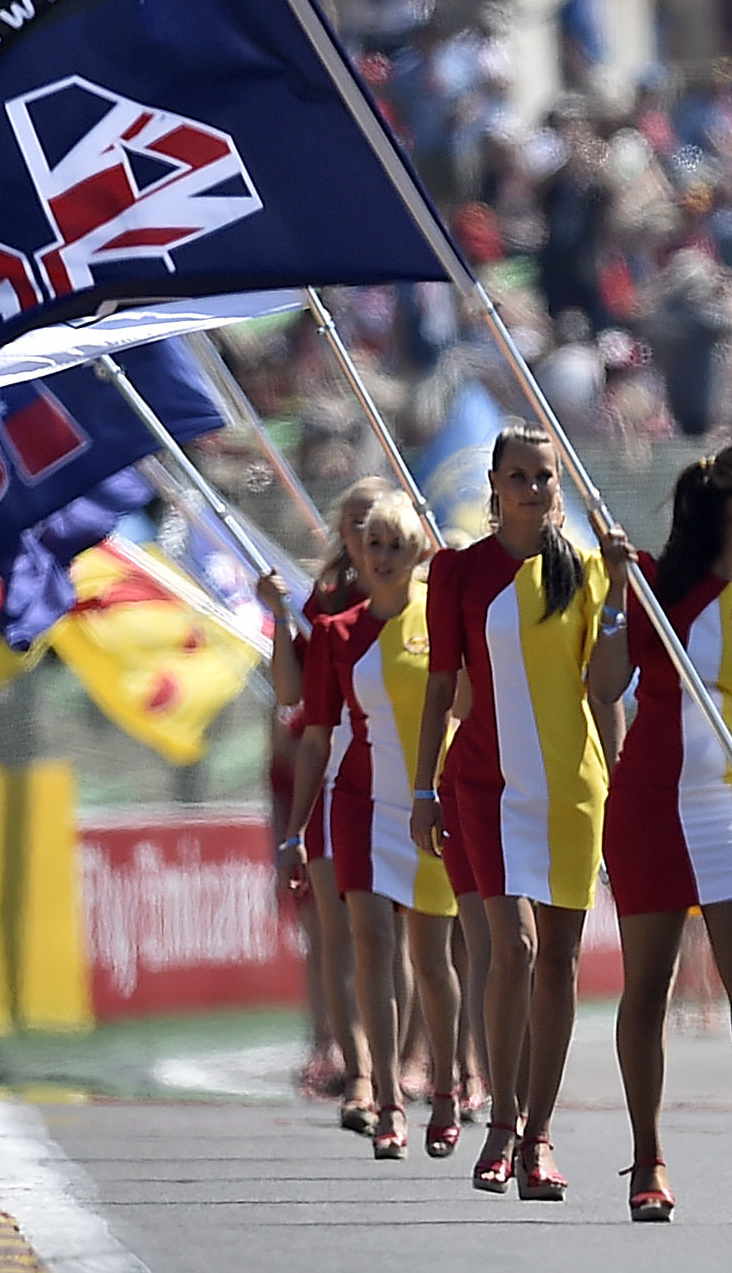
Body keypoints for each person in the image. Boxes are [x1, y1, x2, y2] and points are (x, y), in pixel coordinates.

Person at [598, 441, 732, 1221]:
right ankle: (648, 1159)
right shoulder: (657, 584)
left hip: (728, 811)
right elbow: (602, 682)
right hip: (647, 806)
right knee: (648, 988)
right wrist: (618, 594)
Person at [416, 426, 614, 1201]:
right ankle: (501, 1119)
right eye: (521, 476)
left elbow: (606, 687)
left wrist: (625, 595)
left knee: (560, 959)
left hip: (570, 788)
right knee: (514, 947)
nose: (535, 488)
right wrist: (423, 788)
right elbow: (440, 687)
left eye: (547, 476)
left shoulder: (587, 571)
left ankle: (538, 1136)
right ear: (495, 484)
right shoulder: (457, 572)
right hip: (483, 786)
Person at [278, 492, 465, 1162]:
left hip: (430, 805)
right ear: (357, 551)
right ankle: (386, 1099)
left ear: (420, 552)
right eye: (373, 544)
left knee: (433, 958)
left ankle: (443, 1087)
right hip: (356, 804)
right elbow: (315, 737)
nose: (383, 557)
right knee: (371, 944)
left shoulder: (443, 620)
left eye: (397, 545)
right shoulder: (336, 632)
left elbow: (465, 708)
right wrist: (297, 829)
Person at [274, 479, 384, 1126]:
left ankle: (420, 1062)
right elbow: (298, 702)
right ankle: (356, 1066)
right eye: (357, 524)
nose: (370, 537)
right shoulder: (325, 601)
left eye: (380, 524)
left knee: (399, 938)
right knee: (339, 933)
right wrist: (281, 624)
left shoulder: (420, 595)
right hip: (339, 778)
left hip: (406, 780)